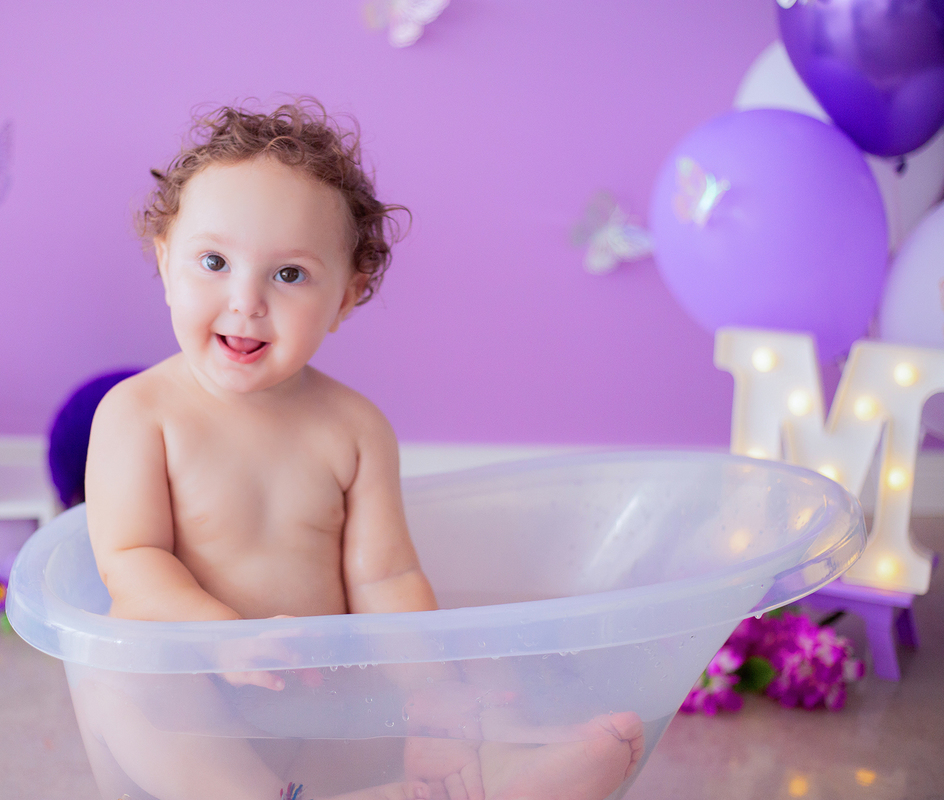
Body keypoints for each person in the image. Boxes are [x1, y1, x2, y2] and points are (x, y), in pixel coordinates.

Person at [83, 99, 642, 800]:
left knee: (461, 681)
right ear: (166, 263)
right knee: (114, 673)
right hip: (195, 711)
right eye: (214, 261)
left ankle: (481, 783)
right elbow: (131, 563)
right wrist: (222, 638)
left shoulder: (352, 428)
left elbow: (384, 582)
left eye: (289, 275)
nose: (246, 300)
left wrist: (433, 699)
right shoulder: (140, 414)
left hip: (321, 714)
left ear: (347, 298)